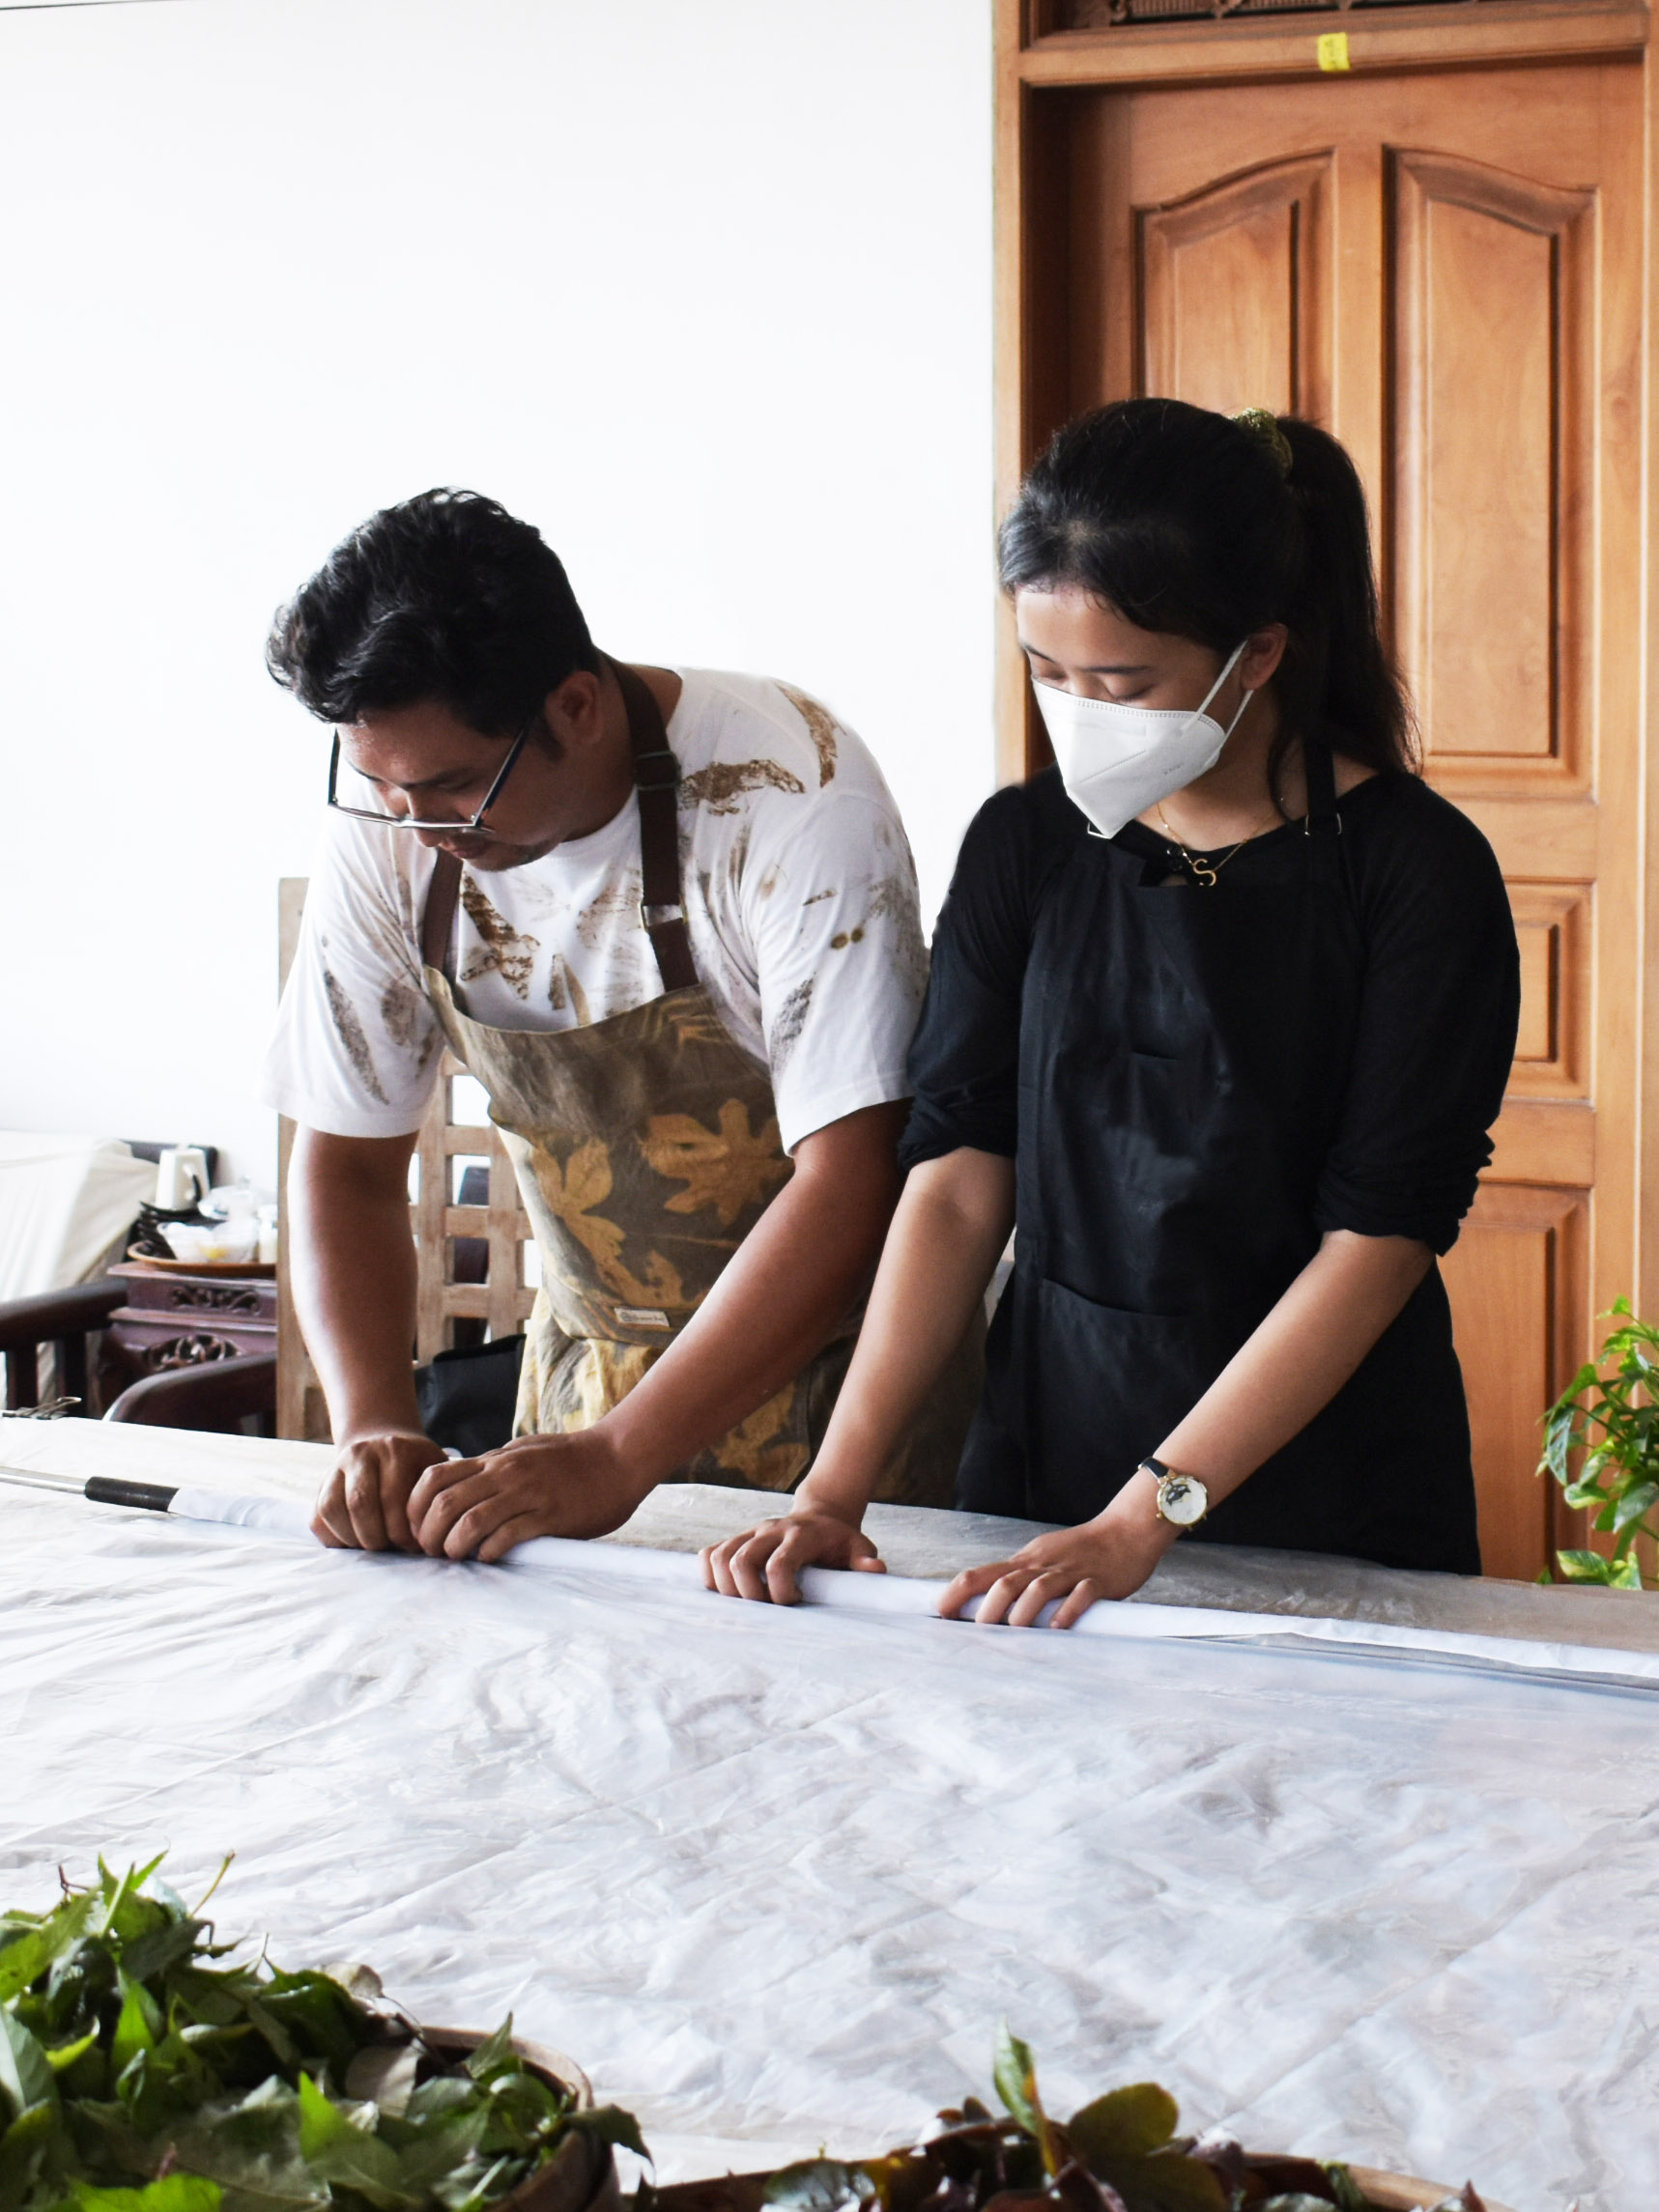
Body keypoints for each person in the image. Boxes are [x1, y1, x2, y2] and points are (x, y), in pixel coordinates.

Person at [702, 399, 1520, 1627]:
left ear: (1258, 653)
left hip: (1329, 1480)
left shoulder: (1415, 874)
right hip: (1046, 1459)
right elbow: (958, 1178)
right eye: (1047, 672)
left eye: (1123, 681)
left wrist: (1145, 1517)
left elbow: (1378, 1242)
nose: (1077, 709)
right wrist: (834, 1486)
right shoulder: (1026, 843)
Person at [262, 489, 977, 1558]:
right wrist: (374, 1422)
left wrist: (622, 1455)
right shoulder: (400, 819)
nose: (419, 827)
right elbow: (348, 1166)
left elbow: (856, 1175)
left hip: (835, 1425)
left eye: (457, 787)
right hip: (575, 1404)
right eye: (380, 787)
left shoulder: (784, 789)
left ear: (577, 708)